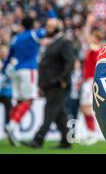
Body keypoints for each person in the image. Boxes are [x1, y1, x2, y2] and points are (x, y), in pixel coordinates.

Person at [23, 18, 76, 149]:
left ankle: (38, 140)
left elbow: (70, 63)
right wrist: (41, 84)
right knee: (59, 114)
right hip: (49, 84)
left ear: (58, 28)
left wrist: (61, 79)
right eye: (46, 26)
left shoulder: (64, 42)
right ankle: (66, 141)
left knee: (50, 112)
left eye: (50, 27)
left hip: (57, 84)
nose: (47, 29)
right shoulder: (52, 43)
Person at [1, 16, 47, 146]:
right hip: (29, 70)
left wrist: (4, 70)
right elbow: (50, 31)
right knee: (29, 100)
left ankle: (13, 130)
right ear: (33, 24)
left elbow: (9, 56)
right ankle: (12, 124)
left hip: (16, 71)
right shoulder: (34, 34)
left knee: (20, 101)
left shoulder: (15, 39)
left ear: (21, 25)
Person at [79, 14, 103, 145]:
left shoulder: (96, 49)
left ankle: (94, 133)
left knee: (87, 107)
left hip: (90, 82)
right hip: (87, 81)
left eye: (92, 36)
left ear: (96, 38)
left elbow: (85, 38)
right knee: (84, 108)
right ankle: (91, 133)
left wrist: (88, 23)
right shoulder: (92, 49)